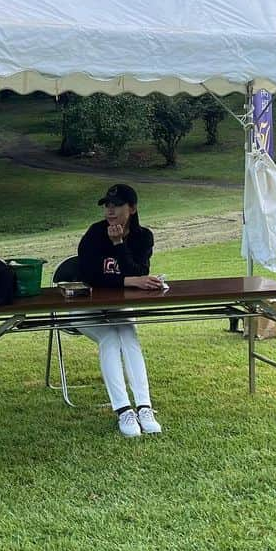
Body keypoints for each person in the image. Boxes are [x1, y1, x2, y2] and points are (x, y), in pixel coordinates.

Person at [76, 183, 164, 437]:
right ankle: (124, 410)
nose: (110, 211)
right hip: (84, 307)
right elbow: (89, 276)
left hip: (117, 307)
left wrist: (118, 245)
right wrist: (128, 281)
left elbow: (139, 273)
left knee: (128, 335)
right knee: (111, 339)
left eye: (116, 206)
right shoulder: (94, 233)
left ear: (132, 208)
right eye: (107, 206)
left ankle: (144, 407)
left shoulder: (143, 237)